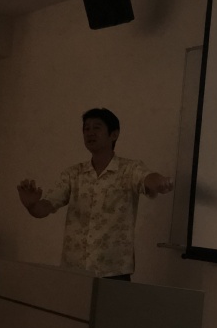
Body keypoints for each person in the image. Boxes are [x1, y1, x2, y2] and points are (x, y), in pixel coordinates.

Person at [17, 108, 173, 281]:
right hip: (75, 269)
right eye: (86, 129)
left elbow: (148, 178)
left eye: (97, 127)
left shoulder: (129, 169)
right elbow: (44, 208)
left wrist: (160, 182)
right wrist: (31, 205)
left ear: (114, 134)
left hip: (114, 271)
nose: (90, 133)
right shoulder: (73, 173)